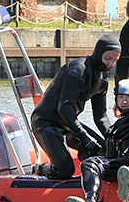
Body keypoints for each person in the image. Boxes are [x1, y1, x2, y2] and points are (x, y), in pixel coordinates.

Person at [30, 35, 121, 179]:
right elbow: (64, 108)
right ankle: (40, 169)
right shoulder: (78, 70)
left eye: (115, 60)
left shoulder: (102, 80)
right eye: (108, 58)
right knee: (66, 170)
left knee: (104, 148)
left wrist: (113, 138)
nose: (110, 64)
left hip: (68, 122)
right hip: (46, 122)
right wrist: (85, 138)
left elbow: (101, 117)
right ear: (98, 53)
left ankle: (91, 176)